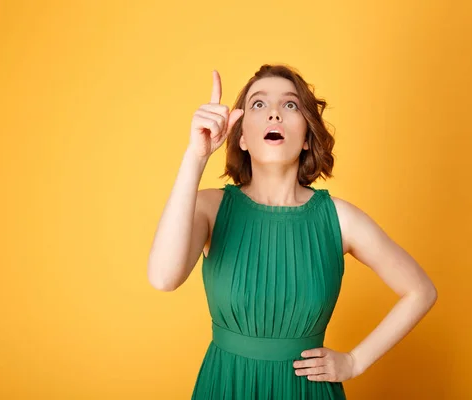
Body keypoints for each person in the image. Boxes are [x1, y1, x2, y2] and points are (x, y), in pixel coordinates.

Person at [147, 64, 438, 399]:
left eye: (290, 105)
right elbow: (163, 278)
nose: (274, 114)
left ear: (305, 136)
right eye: (258, 104)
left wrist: (355, 361)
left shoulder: (340, 219)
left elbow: (420, 291)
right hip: (227, 386)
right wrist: (195, 158)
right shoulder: (210, 208)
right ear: (240, 135)